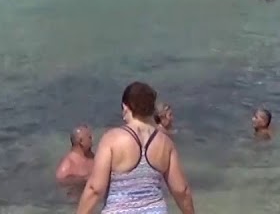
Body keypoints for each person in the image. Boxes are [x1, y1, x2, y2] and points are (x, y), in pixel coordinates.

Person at [77, 81, 194, 214]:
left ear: (125, 106)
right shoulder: (164, 143)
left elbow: (95, 189)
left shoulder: (112, 139)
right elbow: (181, 190)